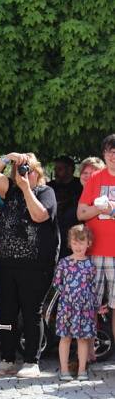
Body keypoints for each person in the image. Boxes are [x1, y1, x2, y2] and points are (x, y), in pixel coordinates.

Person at [0, 152, 59, 379]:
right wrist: (9, 158)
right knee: (6, 312)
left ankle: (31, 361)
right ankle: (7, 359)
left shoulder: (46, 192)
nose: (24, 173)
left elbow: (39, 216)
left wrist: (27, 188)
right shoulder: (10, 190)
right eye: (21, 169)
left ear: (38, 172)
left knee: (31, 313)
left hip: (36, 266)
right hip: (6, 264)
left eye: (29, 169)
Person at [77, 133, 115, 345]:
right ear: (104, 154)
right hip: (95, 251)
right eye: (110, 151)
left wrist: (112, 209)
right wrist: (98, 208)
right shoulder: (95, 179)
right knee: (90, 304)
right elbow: (81, 214)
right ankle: (88, 353)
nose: (114, 156)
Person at [53, 225, 98, 382]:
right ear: (70, 243)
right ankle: (64, 370)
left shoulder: (91, 265)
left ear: (88, 243)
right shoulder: (64, 263)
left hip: (85, 309)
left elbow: (94, 288)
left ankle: (82, 370)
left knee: (83, 339)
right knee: (65, 338)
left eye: (81, 242)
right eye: (75, 242)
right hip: (66, 307)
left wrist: (96, 307)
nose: (78, 246)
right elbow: (57, 284)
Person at [48, 156, 82, 257]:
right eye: (55, 169)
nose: (56, 172)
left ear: (70, 169)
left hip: (74, 234)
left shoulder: (80, 185)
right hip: (53, 233)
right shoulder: (50, 186)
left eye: (59, 169)